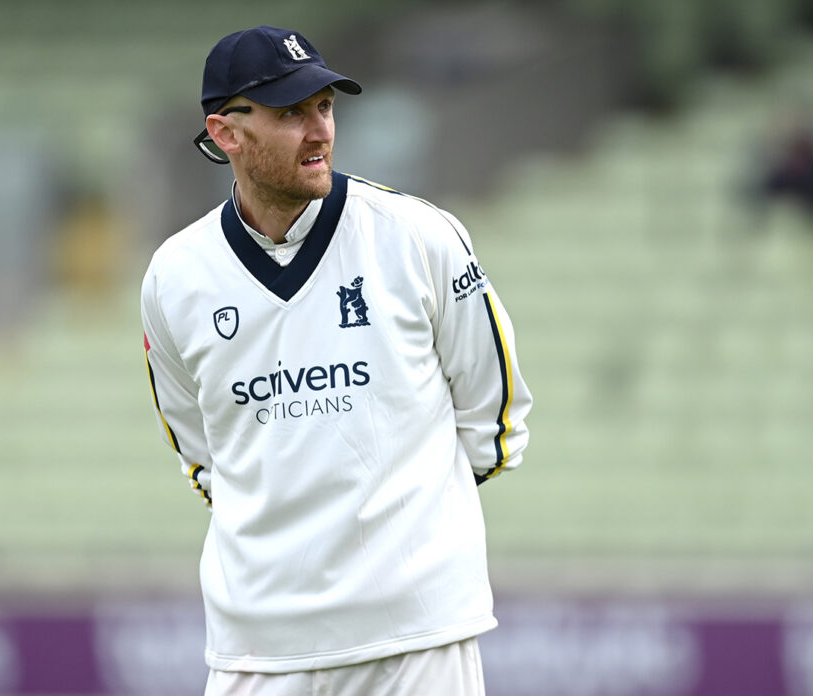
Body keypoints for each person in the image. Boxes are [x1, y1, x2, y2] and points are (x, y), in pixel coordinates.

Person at [141, 25, 533, 695]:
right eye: (290, 112)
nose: (319, 129)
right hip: (258, 650)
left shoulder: (418, 236)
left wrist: (407, 535)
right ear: (225, 132)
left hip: (416, 639)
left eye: (324, 106)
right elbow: (204, 455)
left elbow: (494, 419)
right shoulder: (174, 276)